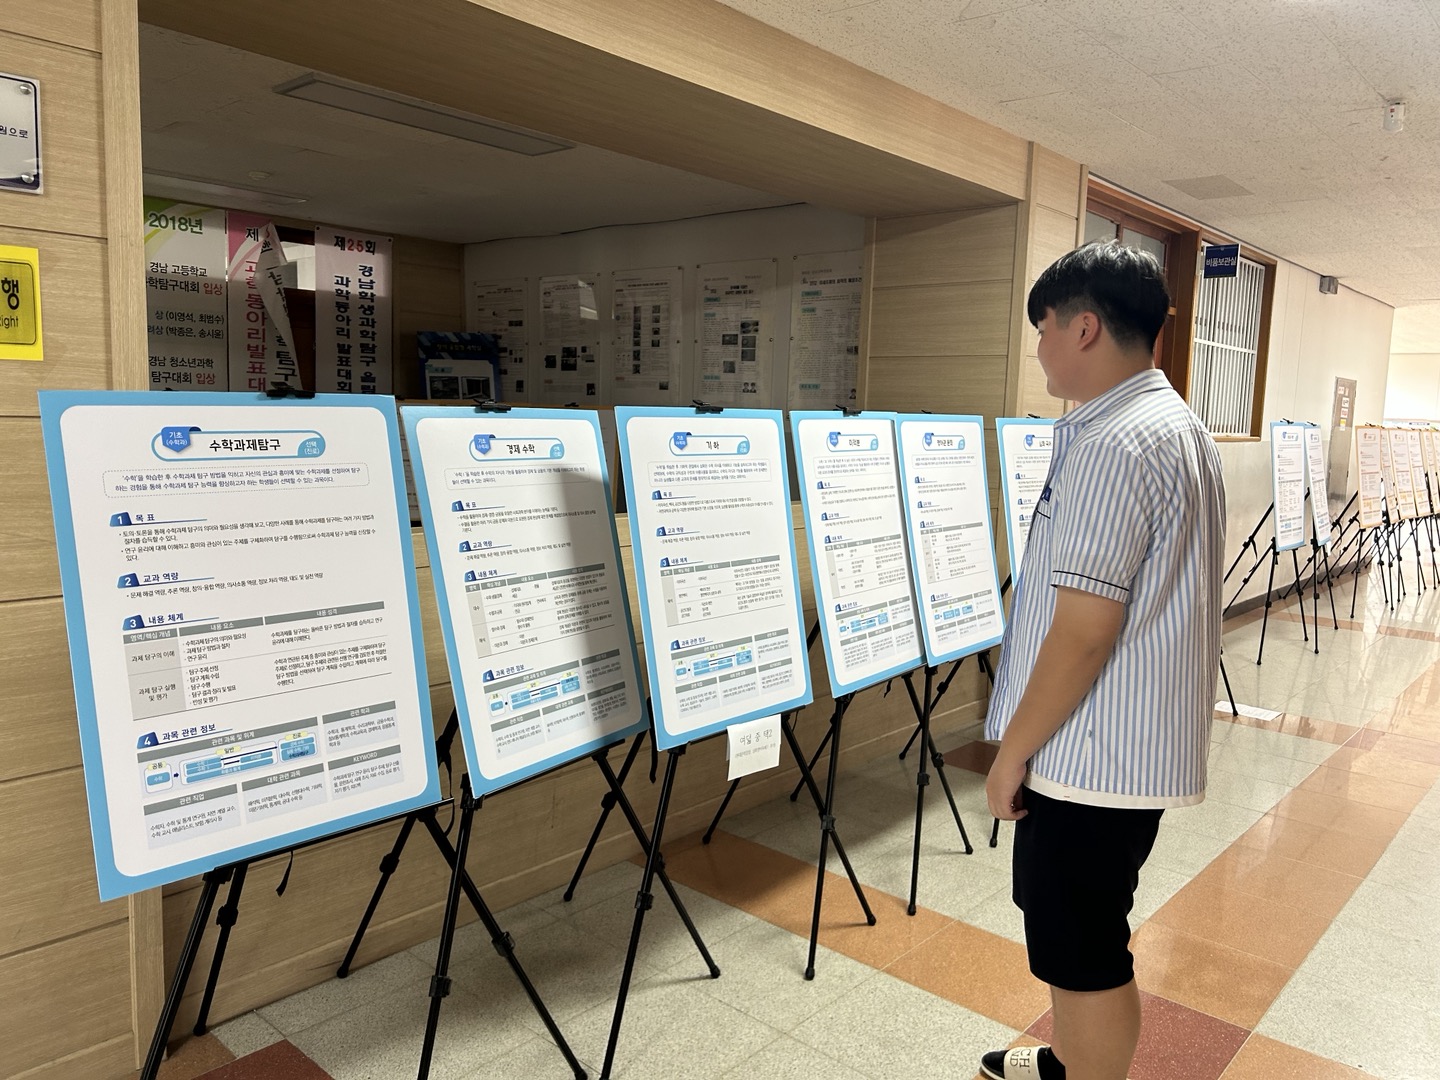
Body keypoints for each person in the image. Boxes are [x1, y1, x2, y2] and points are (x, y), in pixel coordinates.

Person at [979, 241, 1226, 1080]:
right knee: (1085, 930)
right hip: (1128, 746)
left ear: (1083, 327)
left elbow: (1085, 630)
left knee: (1080, 946)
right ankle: (1068, 1062)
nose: (1040, 347)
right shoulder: (1178, 427)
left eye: (1044, 328)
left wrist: (1011, 753)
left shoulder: (1115, 444)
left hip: (1089, 755)